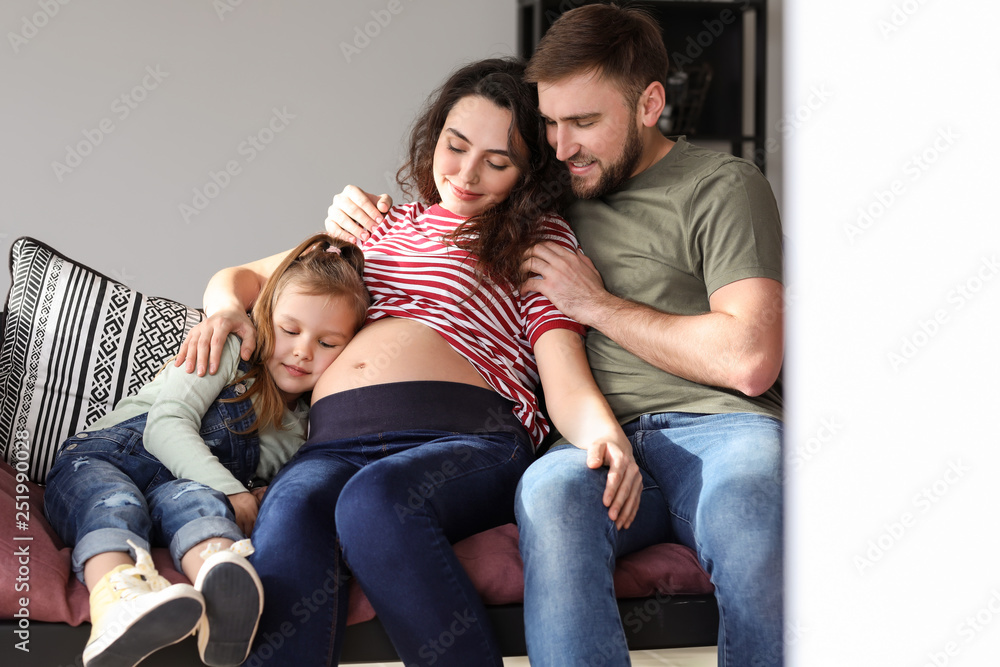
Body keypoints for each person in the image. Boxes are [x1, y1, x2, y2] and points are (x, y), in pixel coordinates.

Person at [325, 5, 785, 666]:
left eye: (586, 122)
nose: (563, 146)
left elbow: (748, 359)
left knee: (749, 507)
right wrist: (352, 213)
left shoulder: (722, 185)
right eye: (550, 123)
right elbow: (448, 205)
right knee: (550, 496)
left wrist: (594, 303)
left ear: (651, 102)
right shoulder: (540, 199)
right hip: (584, 438)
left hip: (716, 427)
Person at [175, 57, 641, 666]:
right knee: (289, 509)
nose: (468, 174)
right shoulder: (376, 225)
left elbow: (564, 372)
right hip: (334, 444)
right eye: (456, 145)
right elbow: (239, 277)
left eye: (498, 163)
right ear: (434, 136)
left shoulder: (535, 241)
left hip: (466, 438)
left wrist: (605, 437)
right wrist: (223, 312)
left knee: (374, 502)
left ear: (528, 176)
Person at [43, 234, 369, 667]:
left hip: (180, 487)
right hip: (106, 458)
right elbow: (165, 426)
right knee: (114, 502)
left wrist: (252, 494)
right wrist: (232, 490)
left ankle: (221, 592)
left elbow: (253, 489)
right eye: (290, 330)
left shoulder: (305, 426)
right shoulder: (232, 351)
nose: (303, 351)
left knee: (200, 504)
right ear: (265, 318)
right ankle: (117, 602)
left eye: (328, 344)